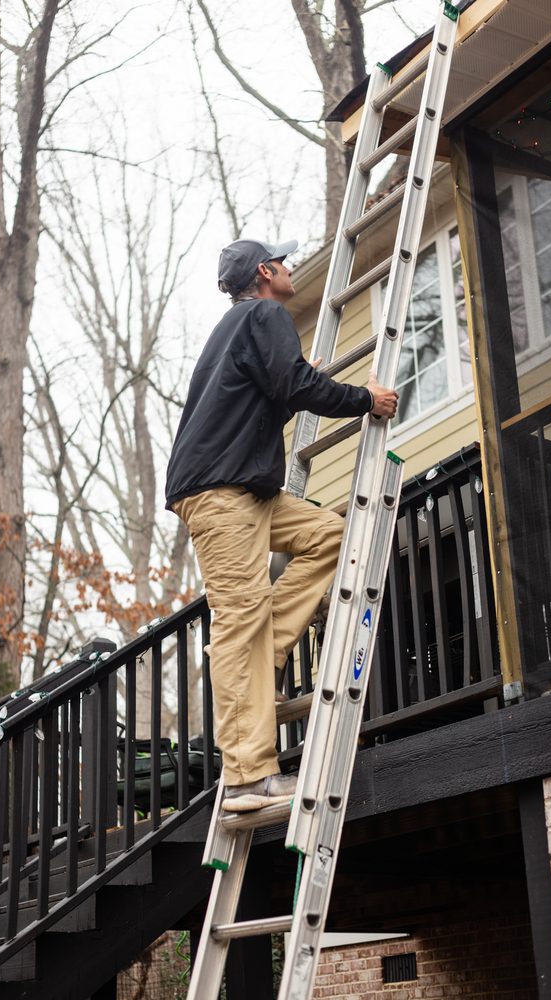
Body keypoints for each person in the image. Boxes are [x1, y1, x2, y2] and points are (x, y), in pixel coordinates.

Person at [165, 238, 397, 812]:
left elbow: (271, 394)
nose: (291, 268)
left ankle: (264, 651)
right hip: (221, 495)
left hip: (244, 489)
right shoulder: (264, 314)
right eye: (285, 261)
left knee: (330, 535)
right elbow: (293, 386)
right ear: (266, 273)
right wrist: (366, 397)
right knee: (239, 621)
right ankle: (247, 778)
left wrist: (296, 381)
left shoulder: (237, 329)